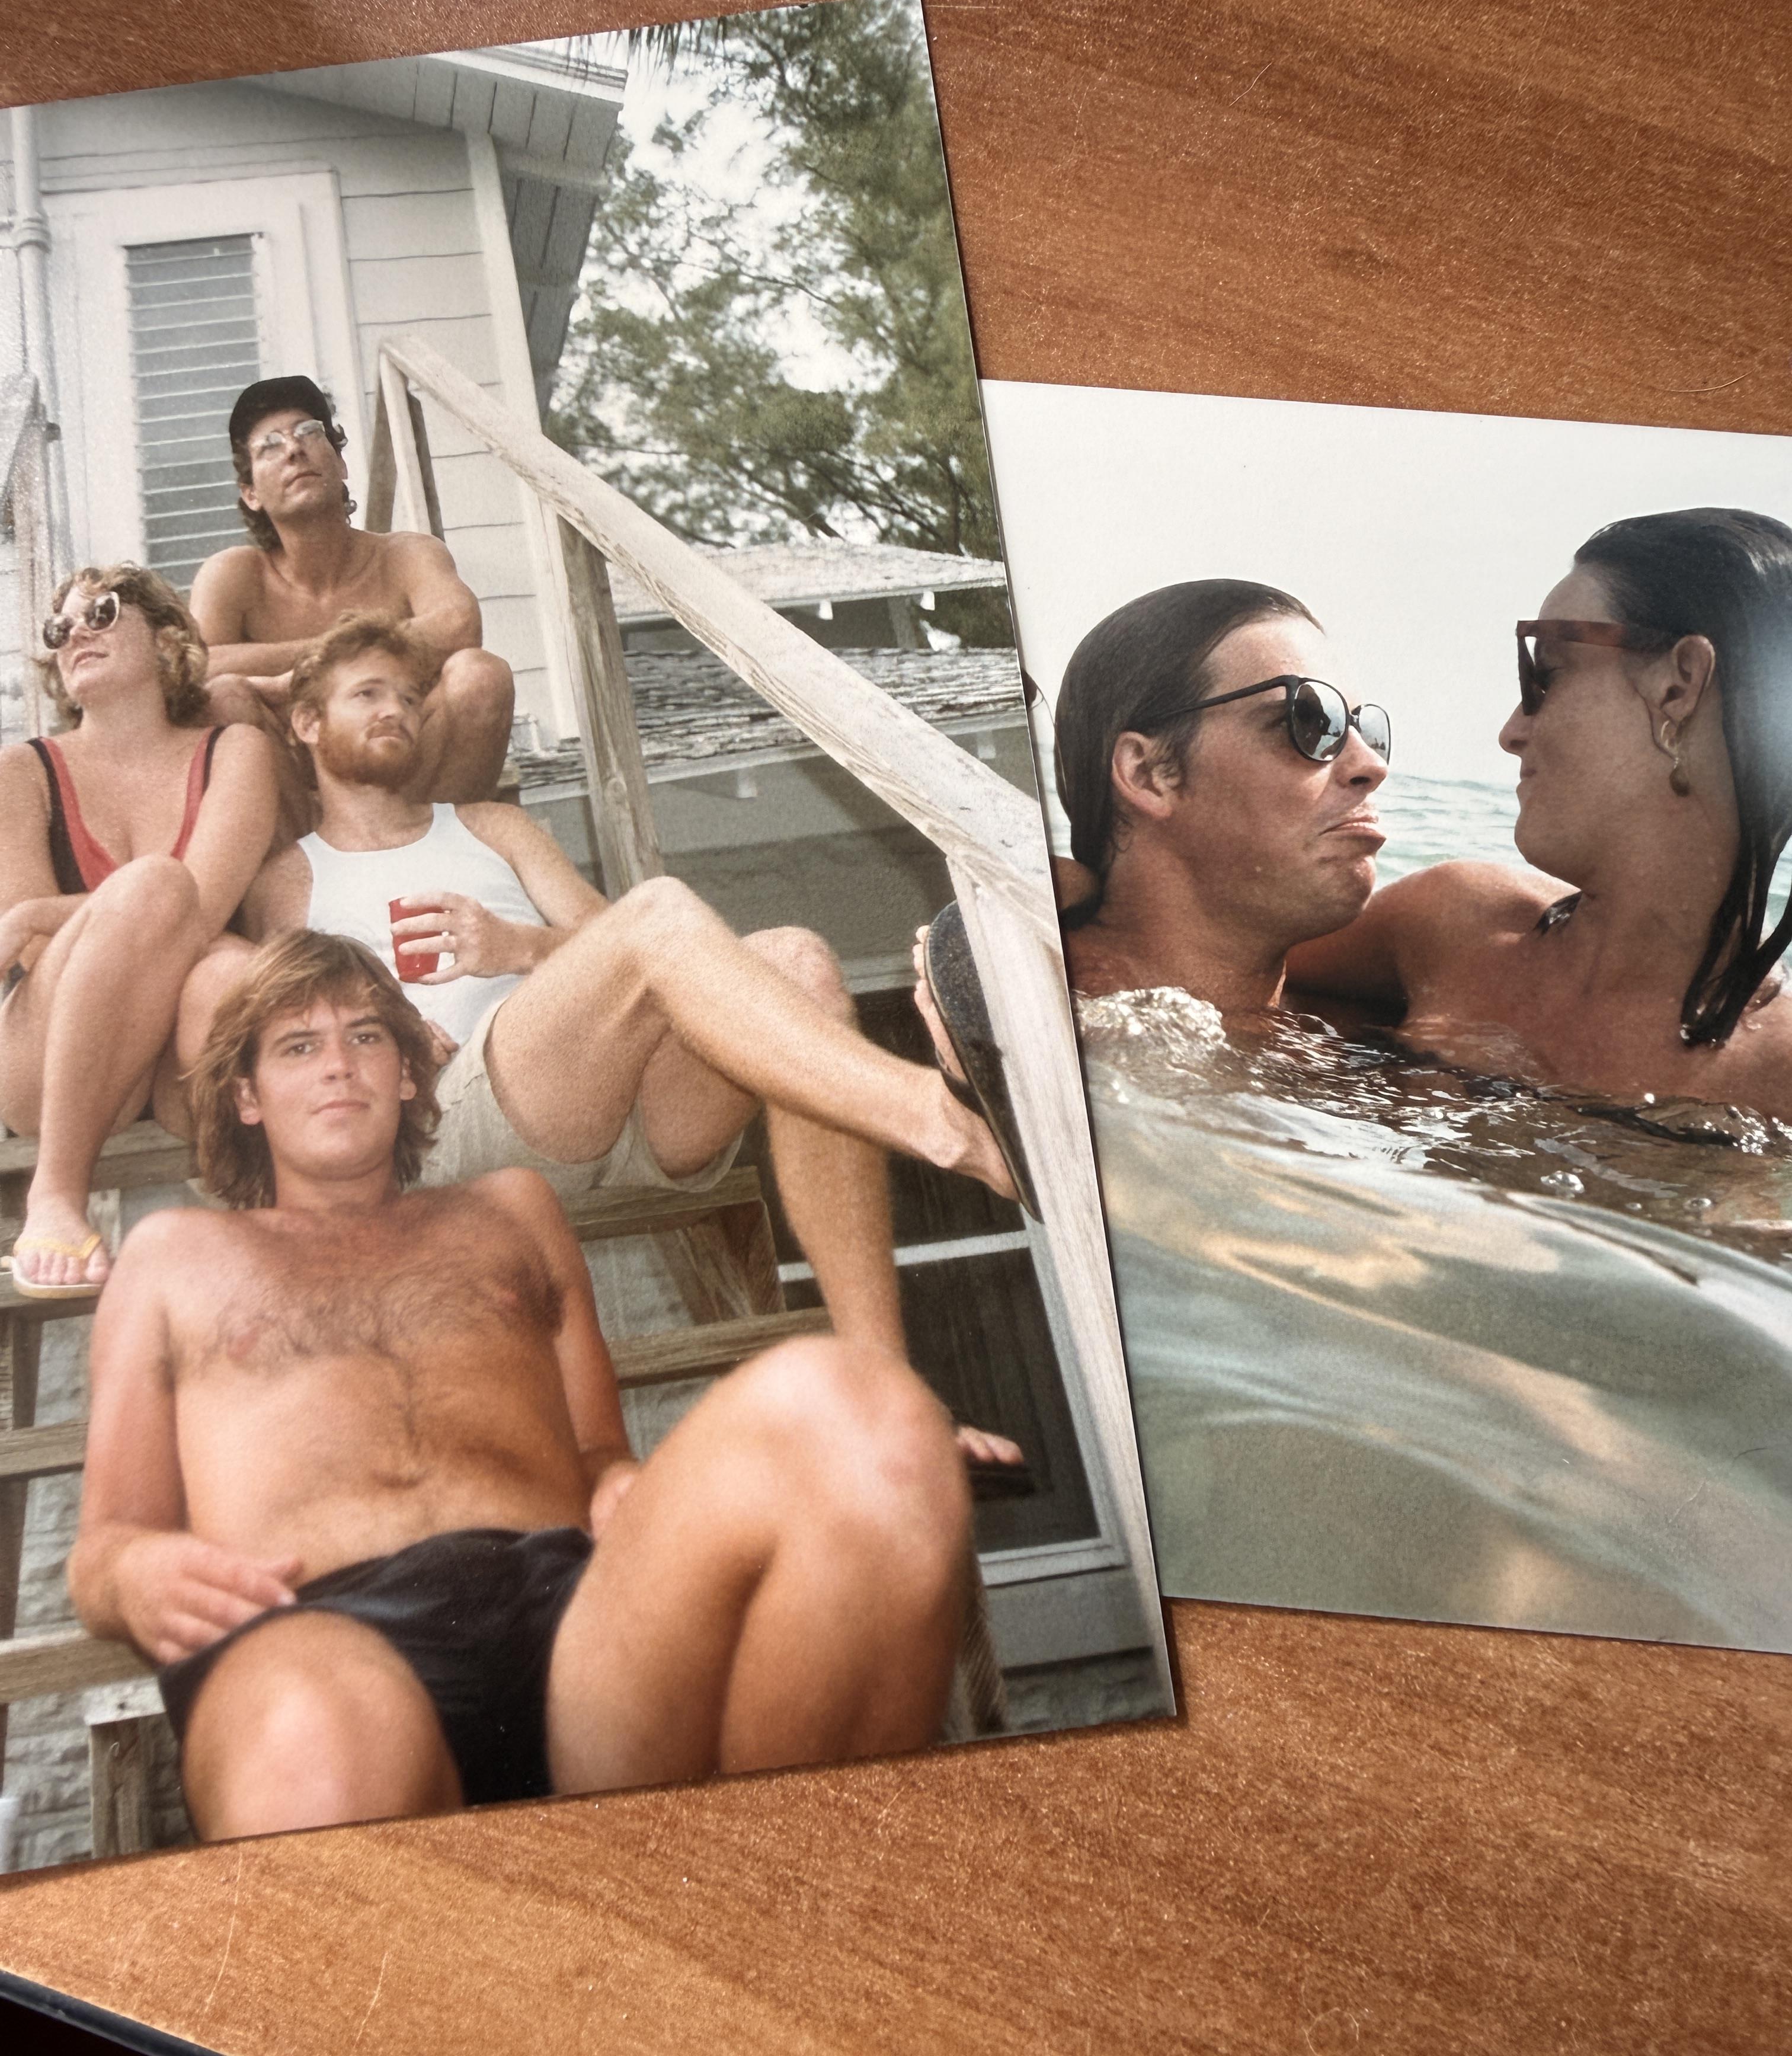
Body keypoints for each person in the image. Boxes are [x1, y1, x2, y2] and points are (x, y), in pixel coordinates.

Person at [68, 932, 971, 1838]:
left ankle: (777, 1916)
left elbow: (596, 1451)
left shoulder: (512, 1212)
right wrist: (136, 1572)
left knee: (866, 1415)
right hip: (309, 1624)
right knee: (324, 1739)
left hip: (571, 1624)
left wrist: (617, 1479)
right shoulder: (173, 1259)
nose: (339, 1066)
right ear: (248, 1098)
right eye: (299, 1047)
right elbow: (105, 1547)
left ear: (412, 1074)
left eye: (367, 1038)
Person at [172, 612, 1022, 1467]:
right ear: (308, 724)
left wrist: (520, 948)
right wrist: (385, 1027)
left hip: (598, 1111)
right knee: (658, 914)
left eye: (409, 695)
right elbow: (284, 1015)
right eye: (367, 694)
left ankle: (889, 1398)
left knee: (795, 962)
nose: (396, 709)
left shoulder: (490, 827)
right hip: (445, 1128)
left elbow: (609, 940)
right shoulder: (291, 873)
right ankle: (932, 1118)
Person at [1289, 507, 1792, 1113]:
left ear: (1679, 684)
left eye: (1547, 673)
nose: (1512, 731)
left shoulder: (1778, 1075)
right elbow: (1220, 976)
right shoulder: (1449, 924)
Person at [0, 565, 279, 1298]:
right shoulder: (20, 771)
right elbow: (31, 956)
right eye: (61, 628)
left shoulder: (235, 751)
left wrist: (36, 912)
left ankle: (282, 1255)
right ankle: (56, 1194)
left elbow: (205, 904)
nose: (76, 634)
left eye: (102, 612)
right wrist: (39, 921)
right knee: (166, 893)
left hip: (182, 1051)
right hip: (52, 1057)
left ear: (165, 639)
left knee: (224, 964)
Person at [1047, 580, 1391, 1013]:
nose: (1373, 766)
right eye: (1311, 720)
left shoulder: (1343, 1036)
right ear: (1149, 774)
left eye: (1367, 730)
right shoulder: (1032, 1013)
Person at [190, 375, 514, 818]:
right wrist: (354, 656)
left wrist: (298, 676)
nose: (293, 449)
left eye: (309, 432)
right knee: (224, 696)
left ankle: (439, 847)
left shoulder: (407, 553)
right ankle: (304, 870)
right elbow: (201, 668)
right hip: (296, 787)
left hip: (408, 764)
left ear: (341, 465)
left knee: (480, 675)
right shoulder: (234, 574)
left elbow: (459, 625)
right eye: (269, 445)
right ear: (251, 494)